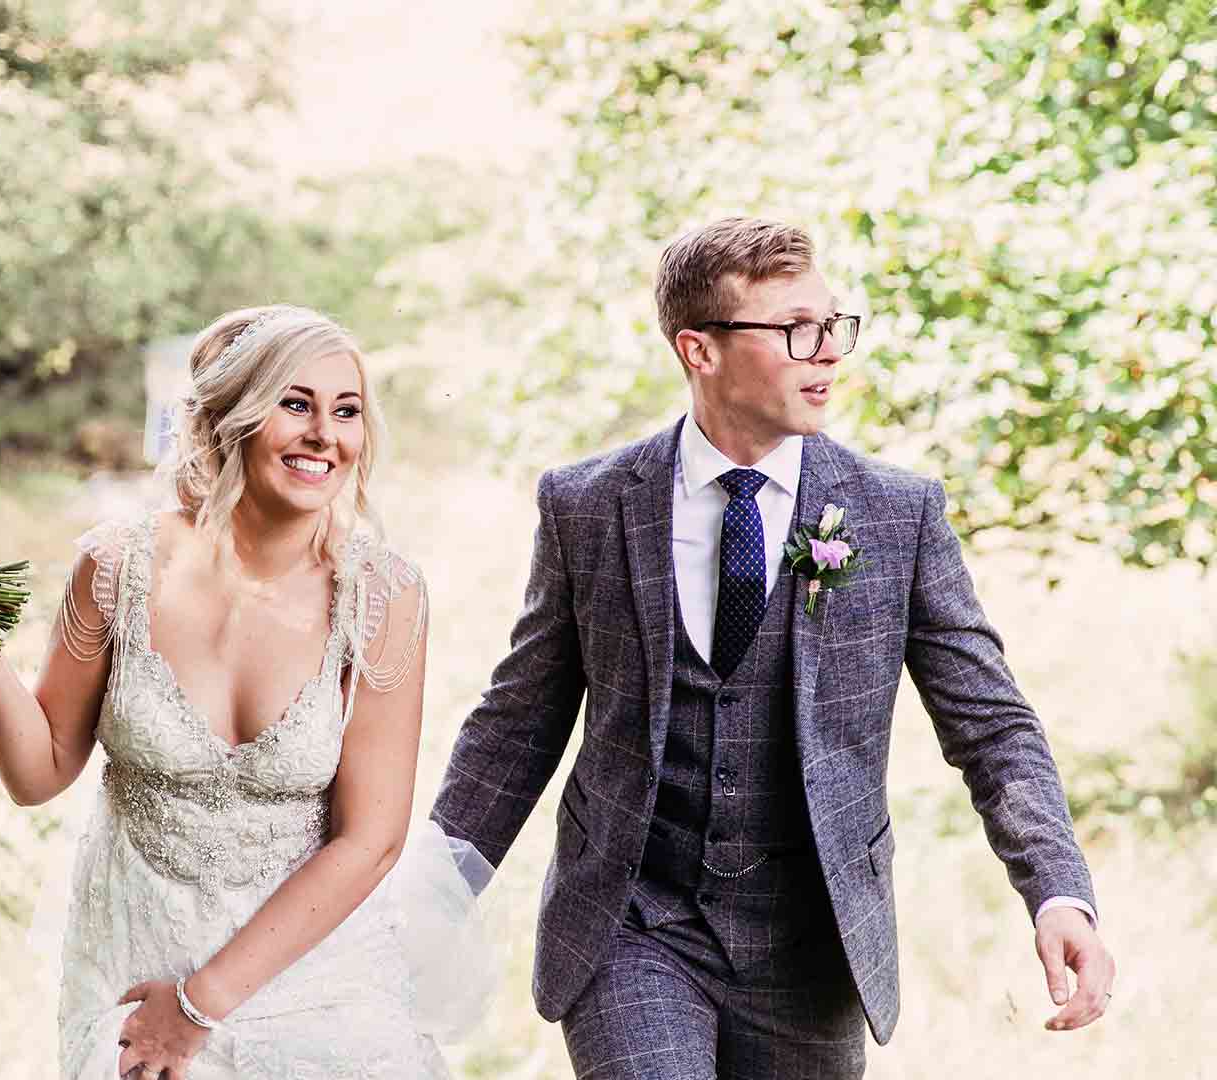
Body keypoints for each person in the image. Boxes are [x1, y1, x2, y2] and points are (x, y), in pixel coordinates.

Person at [430, 218, 1115, 1078]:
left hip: (812, 948)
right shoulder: (590, 505)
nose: (827, 353)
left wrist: (1057, 891)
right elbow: (518, 719)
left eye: (834, 326)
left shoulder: (898, 514)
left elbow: (992, 727)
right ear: (699, 350)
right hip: (633, 927)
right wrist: (430, 894)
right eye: (796, 330)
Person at [0, 304, 489, 1078]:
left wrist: (199, 1006)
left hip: (317, 974)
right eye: (294, 404)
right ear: (229, 417)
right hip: (135, 962)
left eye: (347, 412)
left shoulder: (383, 597)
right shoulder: (115, 569)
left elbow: (370, 841)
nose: (324, 436)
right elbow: (39, 774)